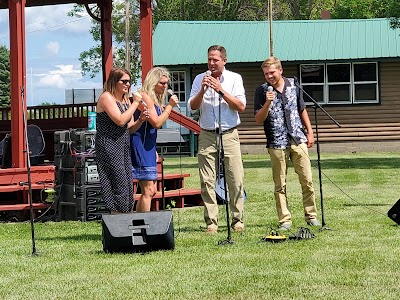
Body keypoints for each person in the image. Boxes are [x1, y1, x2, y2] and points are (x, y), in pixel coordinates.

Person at [254, 56, 320, 230]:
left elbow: (302, 109)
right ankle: (285, 220)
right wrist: (267, 102)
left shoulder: (294, 85)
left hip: (298, 139)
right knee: (280, 184)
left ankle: (311, 215)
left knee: (307, 180)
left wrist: (310, 132)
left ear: (280, 70)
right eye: (266, 74)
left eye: (272, 72)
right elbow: (259, 119)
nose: (269, 76)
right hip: (276, 142)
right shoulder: (261, 91)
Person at [188, 45, 246, 233]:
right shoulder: (199, 79)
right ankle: (211, 222)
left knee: (235, 178)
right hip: (207, 134)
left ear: (224, 61)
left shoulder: (235, 78)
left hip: (229, 134)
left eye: (215, 60)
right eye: (209, 60)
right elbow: (192, 107)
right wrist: (203, 90)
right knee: (207, 180)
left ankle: (237, 220)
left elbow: (240, 106)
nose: (211, 63)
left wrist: (220, 90)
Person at [95, 67, 147, 214]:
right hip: (108, 145)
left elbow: (129, 126)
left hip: (122, 145)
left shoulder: (125, 100)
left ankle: (125, 215)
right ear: (114, 81)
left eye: (129, 81)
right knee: (118, 181)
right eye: (124, 81)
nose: (128, 84)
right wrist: (136, 104)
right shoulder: (106, 97)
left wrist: (140, 120)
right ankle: (117, 215)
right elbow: (120, 120)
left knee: (127, 181)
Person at [130, 67, 179, 212]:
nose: (165, 86)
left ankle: (141, 221)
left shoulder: (155, 99)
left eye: (166, 83)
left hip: (149, 146)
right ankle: (142, 225)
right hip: (140, 145)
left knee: (152, 191)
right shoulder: (145, 97)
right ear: (153, 82)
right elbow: (156, 123)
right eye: (162, 83)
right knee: (148, 190)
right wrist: (170, 106)